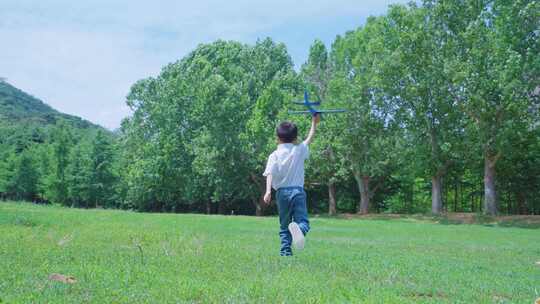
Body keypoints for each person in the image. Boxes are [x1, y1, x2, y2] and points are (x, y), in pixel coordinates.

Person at [263, 114, 320, 256]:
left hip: (281, 193)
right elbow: (310, 138)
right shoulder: (299, 149)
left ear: (277, 138)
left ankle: (285, 253)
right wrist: (314, 122)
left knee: (284, 225)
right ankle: (299, 230)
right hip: (297, 191)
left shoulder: (274, 155)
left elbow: (269, 172)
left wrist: (268, 191)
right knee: (303, 222)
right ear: (295, 138)